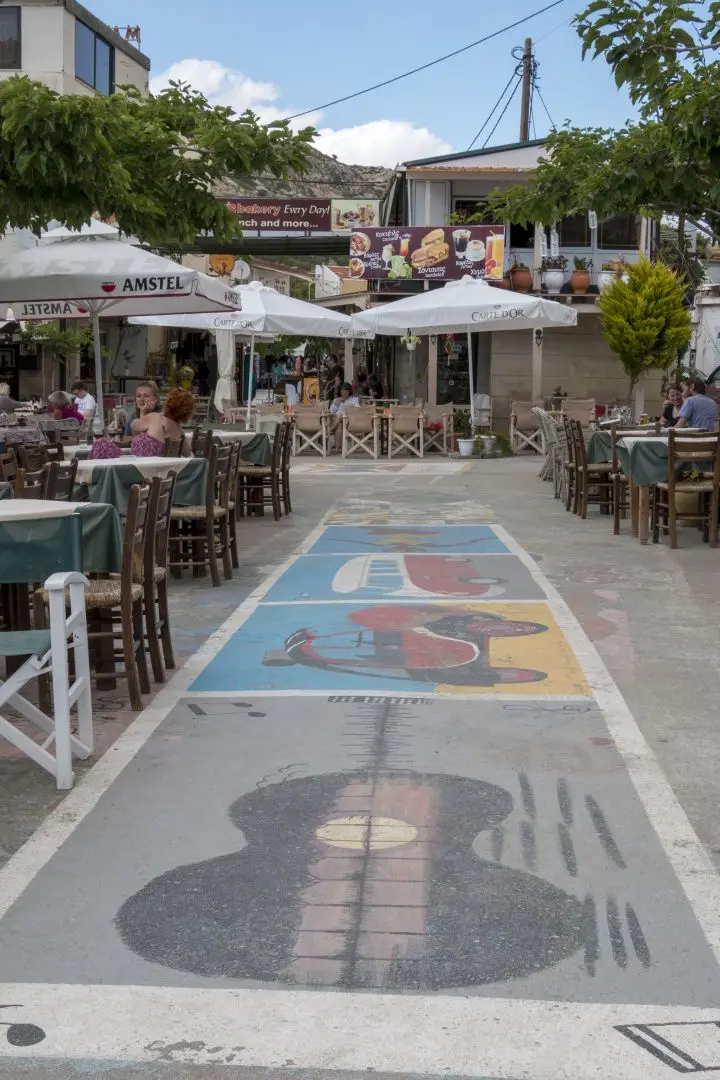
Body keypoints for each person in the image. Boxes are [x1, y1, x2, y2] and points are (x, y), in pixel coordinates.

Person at [91, 388, 195, 459]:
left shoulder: (155, 418)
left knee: (101, 443)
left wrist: (143, 412)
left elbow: (134, 425)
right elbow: (187, 453)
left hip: (136, 468)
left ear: (168, 403)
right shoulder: (178, 430)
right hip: (152, 471)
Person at [329, 382, 360, 449]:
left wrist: (348, 407)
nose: (343, 393)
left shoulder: (354, 400)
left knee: (341, 415)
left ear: (349, 391)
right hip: (337, 420)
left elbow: (357, 410)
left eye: (345, 391)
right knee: (339, 425)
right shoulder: (337, 400)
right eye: (342, 391)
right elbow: (330, 412)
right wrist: (336, 403)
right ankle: (337, 448)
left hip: (349, 420)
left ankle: (329, 430)